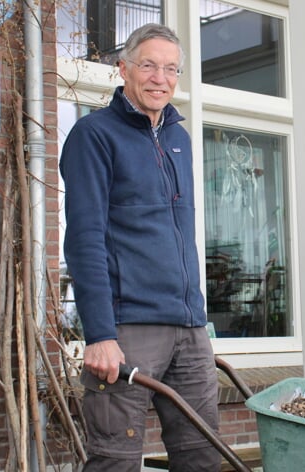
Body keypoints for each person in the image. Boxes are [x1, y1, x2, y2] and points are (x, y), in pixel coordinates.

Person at [59, 23, 221, 471]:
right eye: (148, 65)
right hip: (128, 329)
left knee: (202, 456)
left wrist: (197, 318)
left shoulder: (179, 141)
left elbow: (179, 237)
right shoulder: (94, 136)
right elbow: (84, 238)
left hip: (188, 328)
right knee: (117, 460)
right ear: (123, 69)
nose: (160, 78)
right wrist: (100, 334)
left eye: (171, 69)